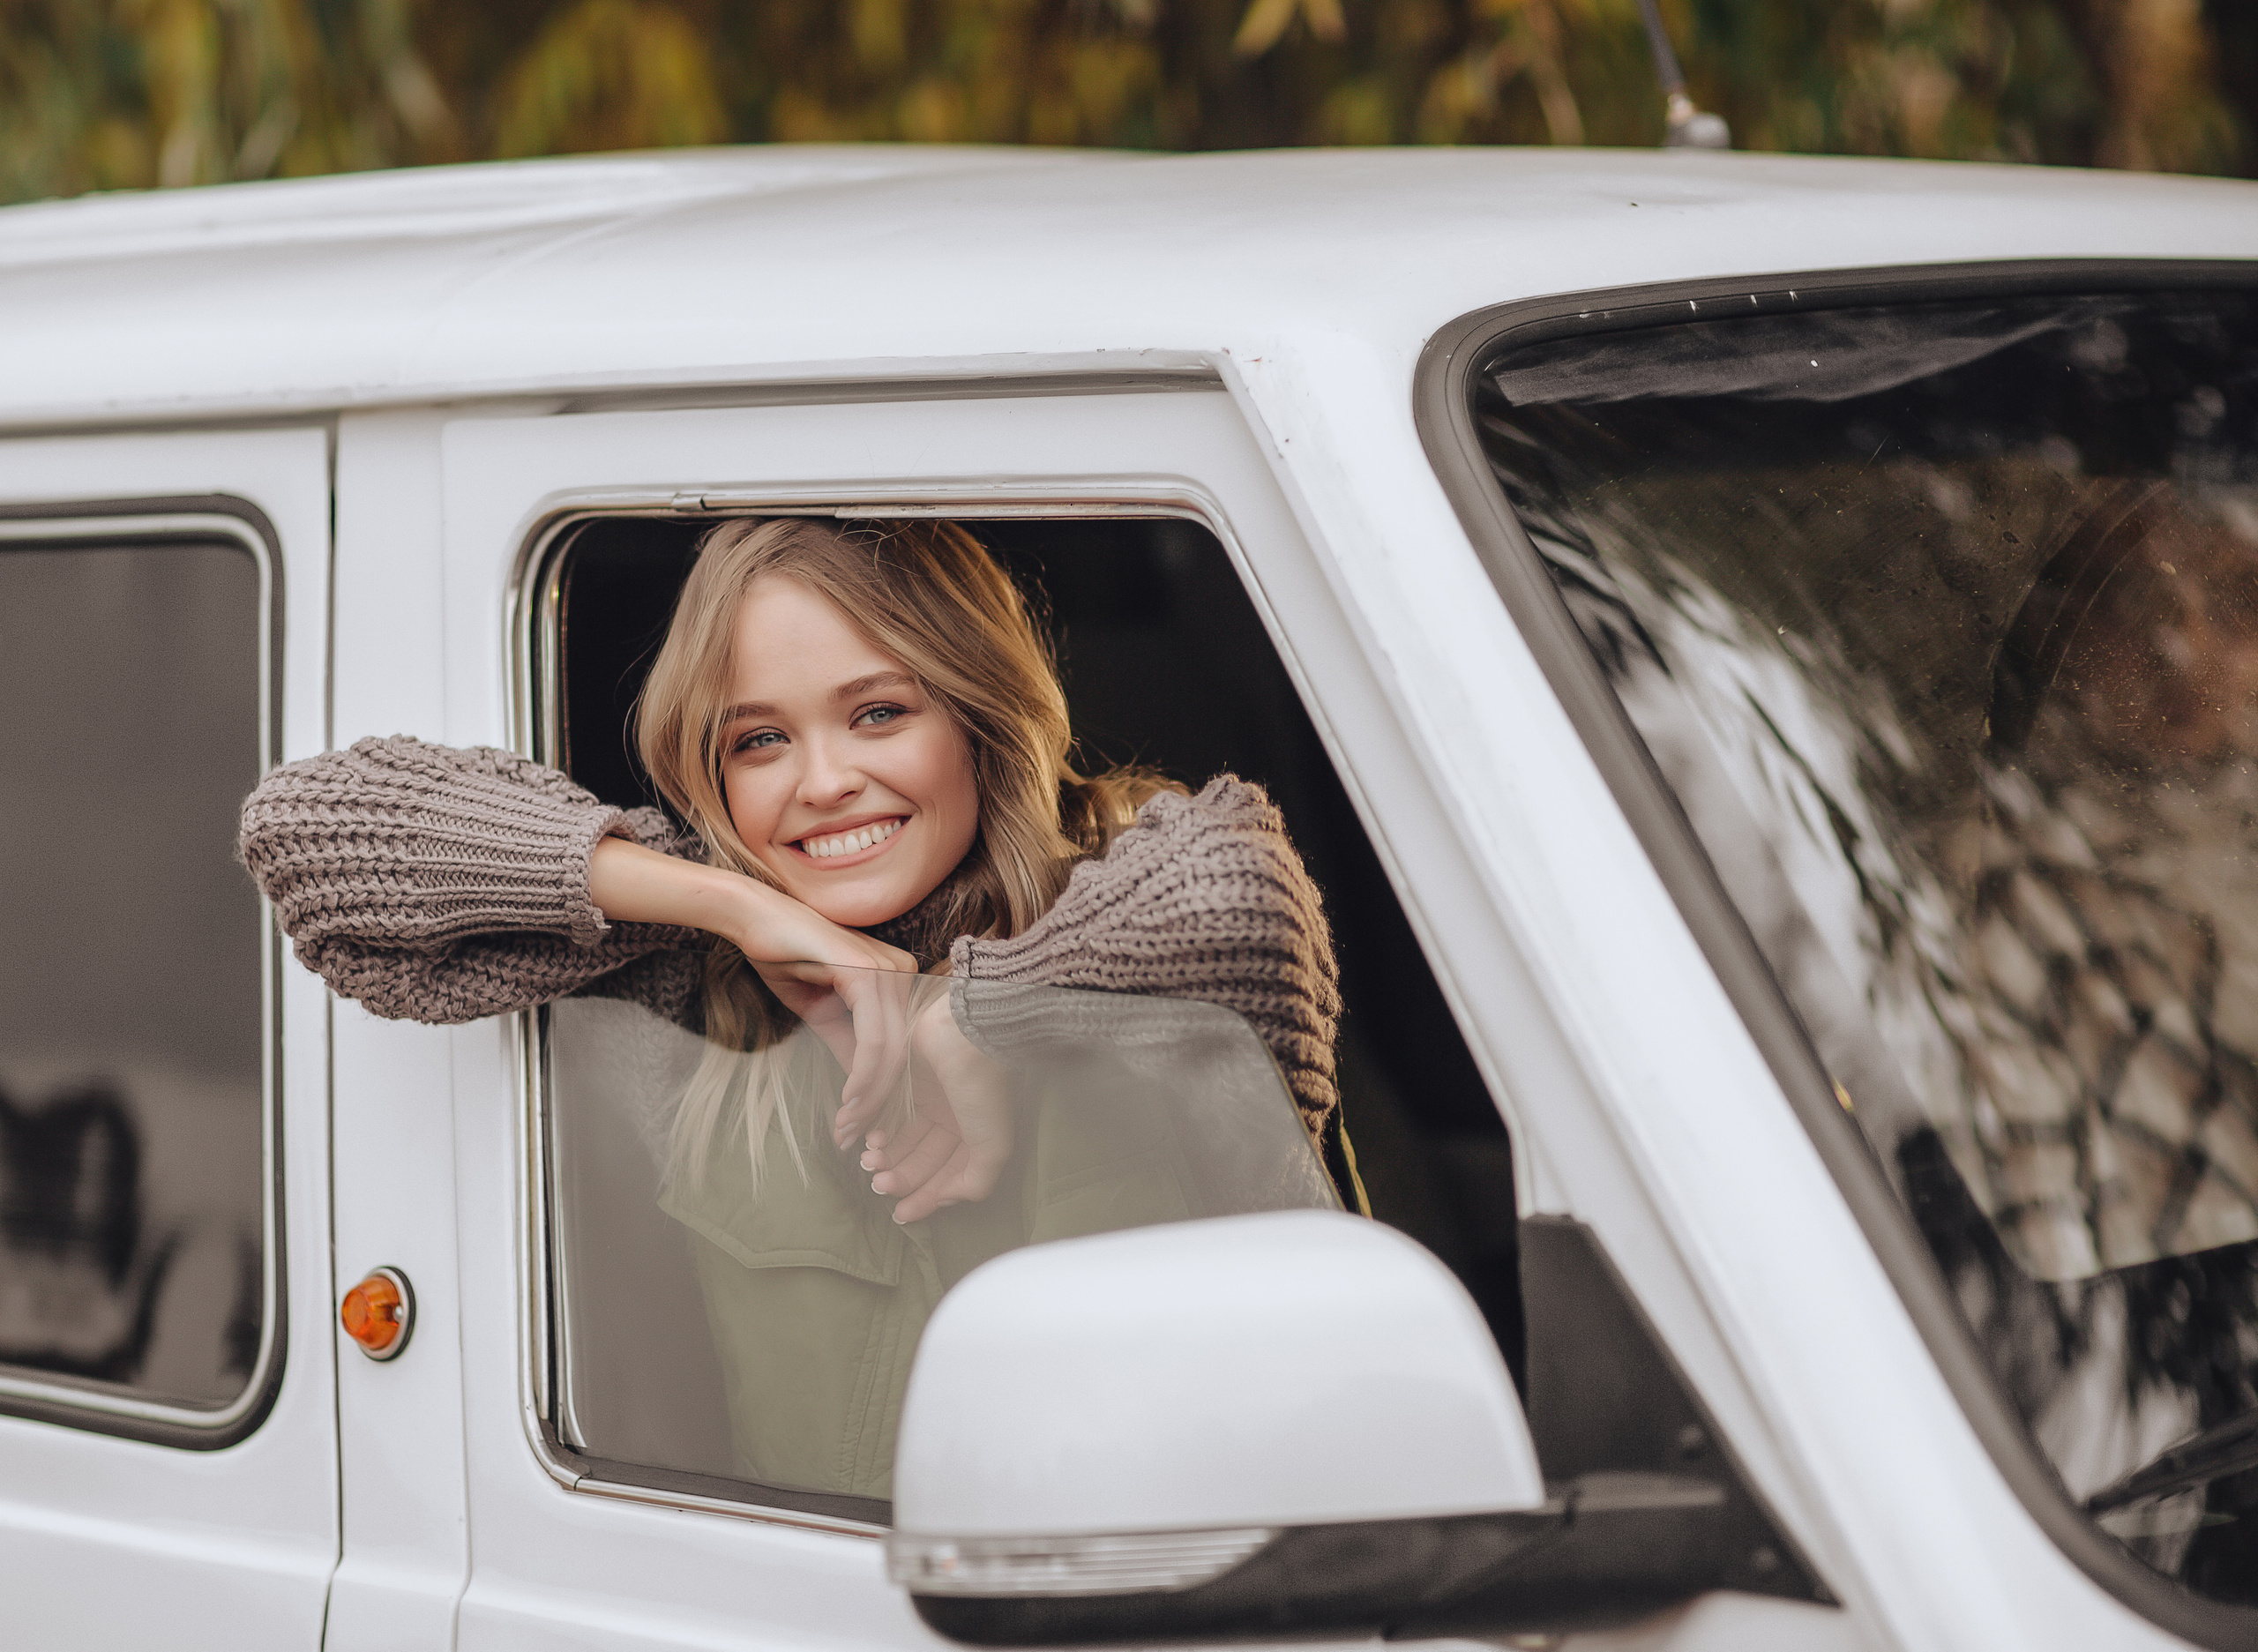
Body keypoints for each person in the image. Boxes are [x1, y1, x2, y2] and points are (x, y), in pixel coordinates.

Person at [238, 515, 1343, 1497]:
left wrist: (982, 1013)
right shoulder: (696, 979)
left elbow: (1237, 893)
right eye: (758, 740)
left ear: (974, 718)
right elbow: (308, 835)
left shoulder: (1130, 877)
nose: (822, 783)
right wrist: (733, 906)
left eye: (877, 712)